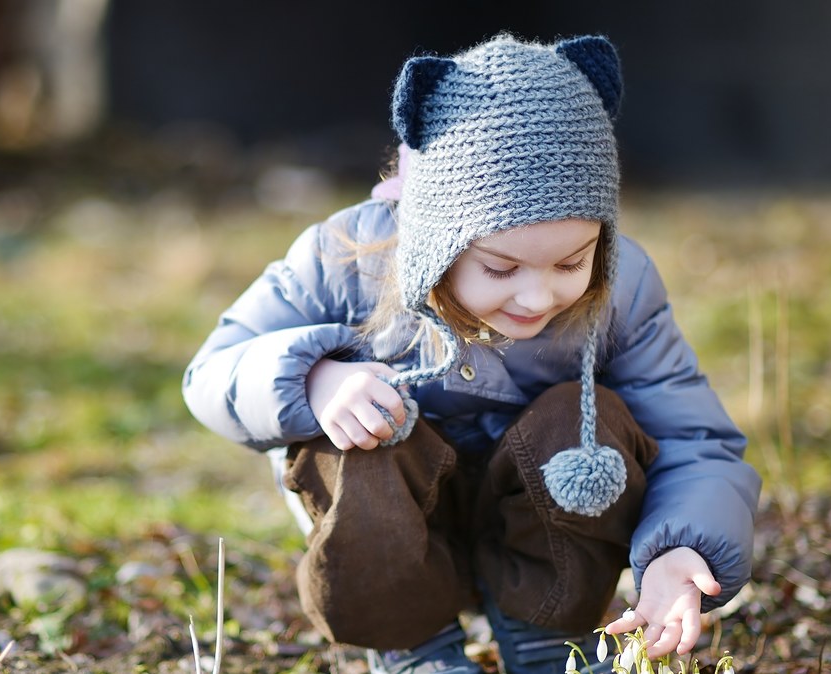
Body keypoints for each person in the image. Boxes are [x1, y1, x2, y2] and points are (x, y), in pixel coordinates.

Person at [182, 34, 761, 674]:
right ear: (435, 238)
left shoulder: (621, 288)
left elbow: (694, 439)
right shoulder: (343, 259)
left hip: (540, 532)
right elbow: (211, 373)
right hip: (394, 532)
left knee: (583, 415)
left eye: (572, 261)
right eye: (501, 267)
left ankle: (547, 634)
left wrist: (683, 551)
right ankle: (414, 646)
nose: (538, 294)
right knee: (360, 430)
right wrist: (312, 381)